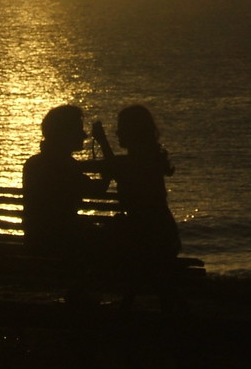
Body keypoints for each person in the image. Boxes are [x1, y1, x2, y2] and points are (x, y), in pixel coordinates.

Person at [92, 104, 181, 262]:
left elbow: (115, 167)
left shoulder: (137, 163)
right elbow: (116, 166)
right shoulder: (152, 160)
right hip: (164, 234)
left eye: (122, 128)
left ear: (133, 132)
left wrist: (103, 141)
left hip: (150, 238)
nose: (118, 133)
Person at [21, 104, 108, 256]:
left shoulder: (32, 164)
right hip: (63, 243)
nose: (84, 135)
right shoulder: (66, 166)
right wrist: (104, 143)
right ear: (65, 133)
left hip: (35, 241)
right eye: (78, 130)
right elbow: (99, 189)